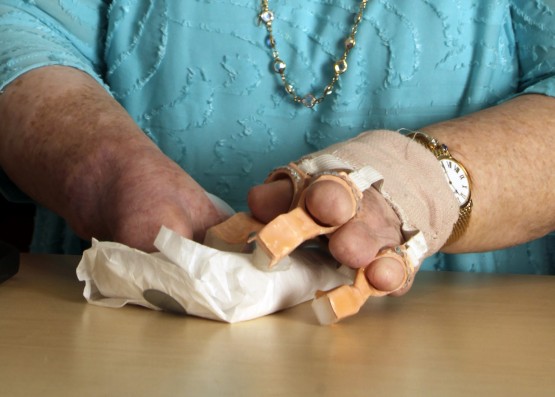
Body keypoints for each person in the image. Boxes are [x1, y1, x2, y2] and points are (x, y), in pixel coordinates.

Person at [0, 1, 554, 296]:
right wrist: (102, 166)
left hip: (461, 342)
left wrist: (427, 183)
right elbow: (20, 20)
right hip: (121, 337)